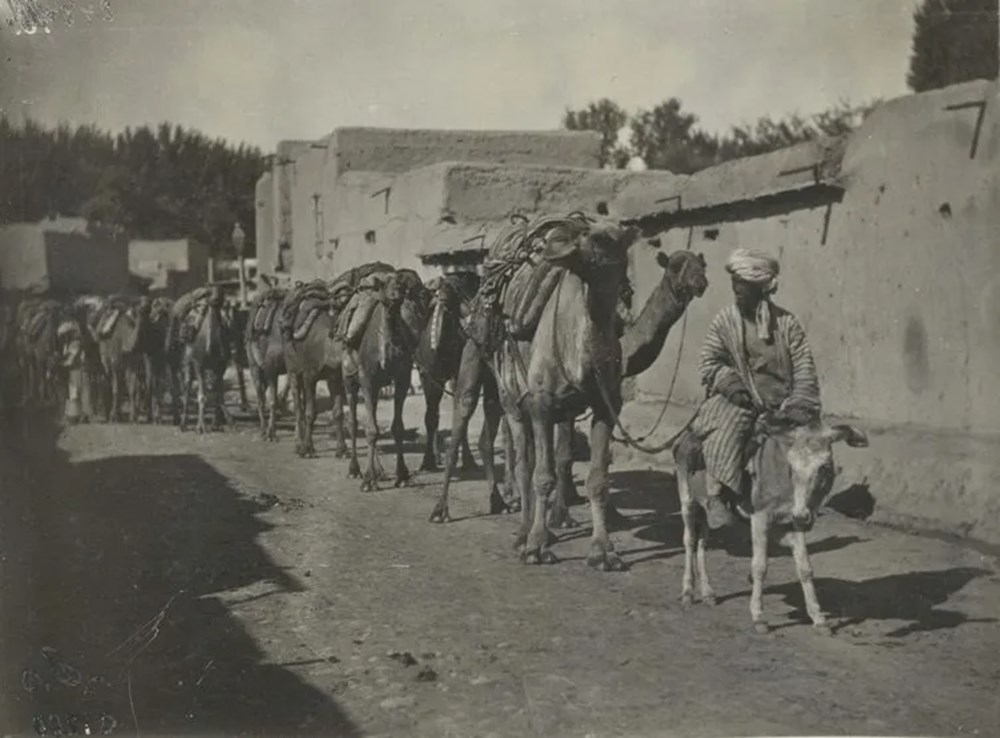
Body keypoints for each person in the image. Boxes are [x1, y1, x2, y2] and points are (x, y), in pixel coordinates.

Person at [691, 248, 822, 528]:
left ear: (762, 288)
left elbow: (804, 366)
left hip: (785, 404)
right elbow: (710, 360)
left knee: (816, 444)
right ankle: (718, 495)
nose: (737, 292)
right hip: (742, 400)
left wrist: (800, 403)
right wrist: (730, 384)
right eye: (734, 286)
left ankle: (802, 502)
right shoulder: (725, 321)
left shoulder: (787, 324)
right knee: (725, 427)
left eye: (744, 287)